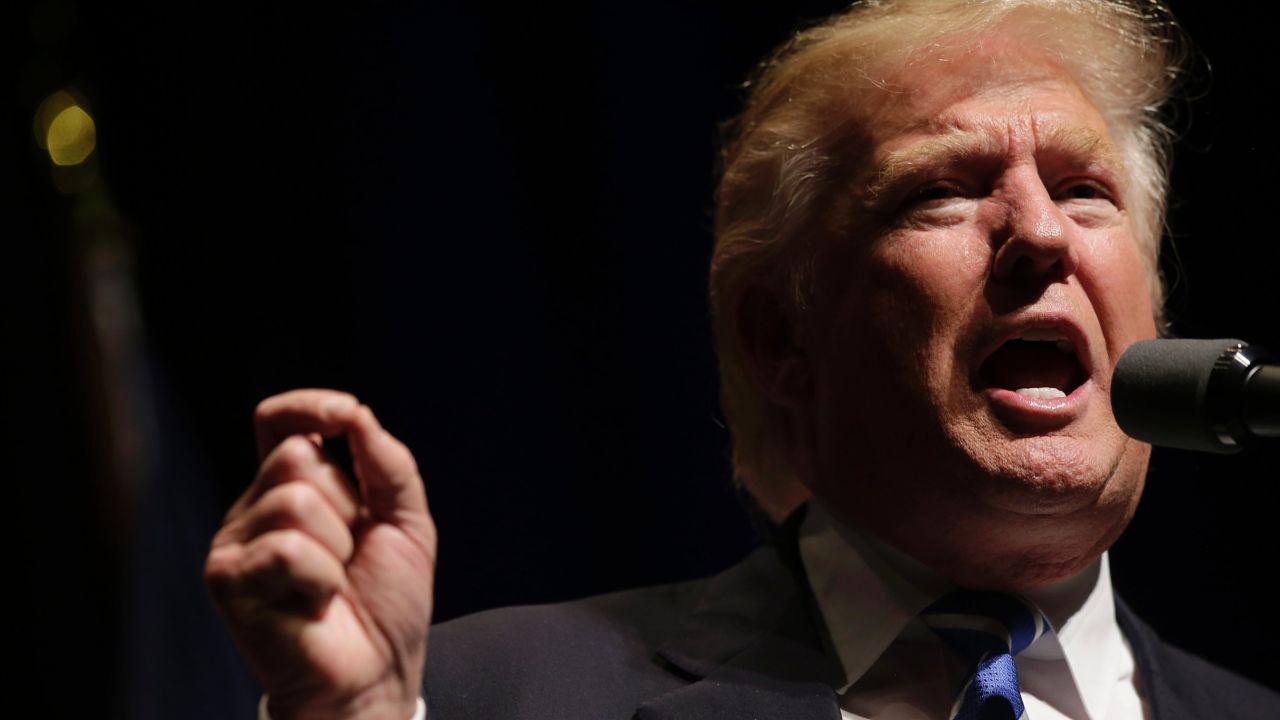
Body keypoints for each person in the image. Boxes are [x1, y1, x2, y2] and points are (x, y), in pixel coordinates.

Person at [205, 1, 1280, 718]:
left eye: (1083, 189)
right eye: (941, 188)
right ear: (781, 339)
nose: (1040, 236)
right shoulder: (478, 693)